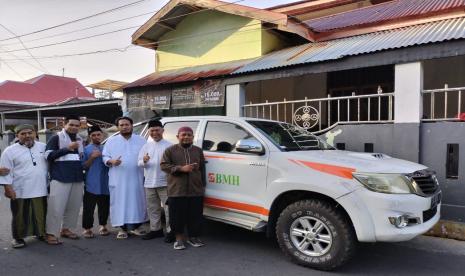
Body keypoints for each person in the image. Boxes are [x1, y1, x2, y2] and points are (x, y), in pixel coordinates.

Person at [0, 124, 48, 248]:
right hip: (20, 188)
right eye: (23, 134)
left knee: (40, 213)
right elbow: (5, 171)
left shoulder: (43, 147)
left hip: (40, 187)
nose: (27, 136)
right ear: (17, 136)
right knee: (19, 215)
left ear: (35, 133)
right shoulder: (10, 151)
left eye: (30, 133)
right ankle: (18, 238)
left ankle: (40, 233)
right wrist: (7, 188)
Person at [160, 126, 206, 250]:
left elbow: (202, 168)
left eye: (189, 135)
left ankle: (193, 237)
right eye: (183, 135)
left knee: (195, 216)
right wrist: (181, 168)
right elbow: (164, 166)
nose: (186, 137)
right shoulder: (170, 150)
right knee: (177, 217)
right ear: (178, 137)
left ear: (193, 137)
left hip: (195, 190)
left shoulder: (198, 150)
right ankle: (179, 239)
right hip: (176, 190)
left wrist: (203, 186)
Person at [102, 116, 147, 239]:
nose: (124, 127)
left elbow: (147, 156)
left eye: (127, 124)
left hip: (136, 177)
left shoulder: (141, 140)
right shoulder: (111, 141)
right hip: (118, 178)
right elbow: (104, 156)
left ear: (132, 126)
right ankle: (122, 229)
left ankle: (137, 226)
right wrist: (111, 161)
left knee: (137, 201)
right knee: (119, 202)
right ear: (118, 127)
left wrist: (145, 160)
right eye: (121, 125)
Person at [45, 115, 84, 245]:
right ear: (64, 125)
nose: (74, 127)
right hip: (60, 177)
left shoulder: (80, 140)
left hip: (76, 177)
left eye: (77, 125)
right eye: (71, 125)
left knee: (73, 207)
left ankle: (66, 229)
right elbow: (48, 156)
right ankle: (51, 233)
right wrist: (67, 148)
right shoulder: (56, 138)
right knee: (56, 207)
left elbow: (79, 160)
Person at [137, 120, 173, 241]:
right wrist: (144, 161)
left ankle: (171, 231)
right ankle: (156, 230)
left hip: (166, 182)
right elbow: (139, 163)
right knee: (153, 208)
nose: (154, 132)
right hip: (149, 182)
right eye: (152, 130)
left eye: (157, 130)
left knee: (169, 209)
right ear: (149, 132)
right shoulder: (146, 146)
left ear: (162, 130)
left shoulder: (170, 146)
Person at [82, 125, 110, 238]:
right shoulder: (86, 149)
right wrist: (92, 157)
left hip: (105, 182)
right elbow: (83, 166)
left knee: (104, 206)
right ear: (90, 137)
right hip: (91, 183)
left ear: (102, 135)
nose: (96, 137)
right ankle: (87, 228)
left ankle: (103, 225)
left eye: (98, 134)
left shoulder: (107, 148)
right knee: (89, 207)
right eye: (93, 135)